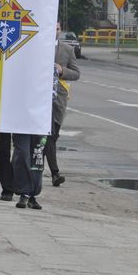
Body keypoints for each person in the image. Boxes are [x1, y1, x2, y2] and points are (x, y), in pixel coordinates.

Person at [46, 21, 80, 186]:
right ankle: (55, 173)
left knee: (53, 136)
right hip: (40, 98)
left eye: (57, 29)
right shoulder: (38, 46)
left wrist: (62, 70)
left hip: (58, 98)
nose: (55, 31)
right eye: (52, 28)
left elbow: (76, 73)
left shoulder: (67, 49)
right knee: (48, 136)